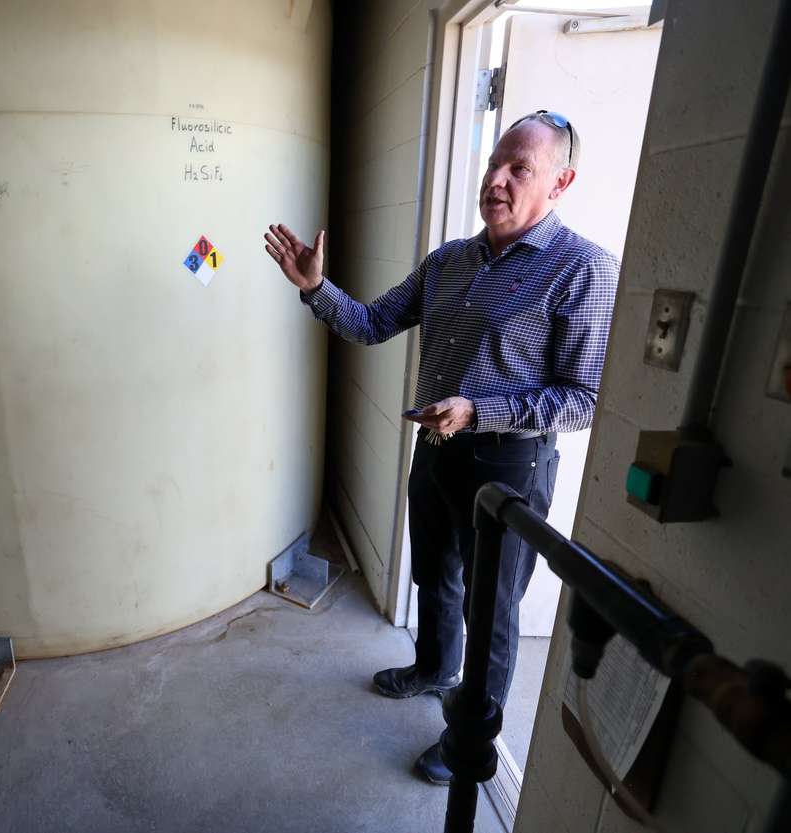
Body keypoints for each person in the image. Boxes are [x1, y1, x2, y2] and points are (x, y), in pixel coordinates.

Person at [263, 111, 619, 785]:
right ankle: (432, 667)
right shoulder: (450, 260)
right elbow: (371, 323)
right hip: (436, 446)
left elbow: (583, 398)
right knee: (435, 572)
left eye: (521, 168)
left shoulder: (583, 269)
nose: (498, 180)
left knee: (491, 608)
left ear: (561, 182)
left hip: (511, 463)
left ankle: (469, 743)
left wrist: (478, 409)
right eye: (495, 164)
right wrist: (316, 289)